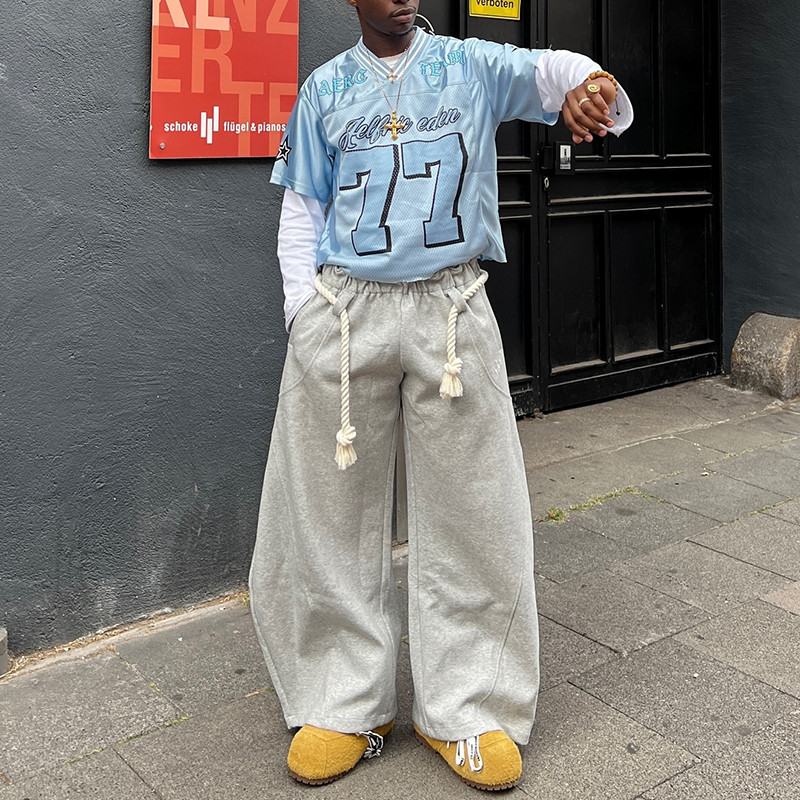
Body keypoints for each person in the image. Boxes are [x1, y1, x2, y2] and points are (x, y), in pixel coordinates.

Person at [249, 0, 633, 790]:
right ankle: (341, 702)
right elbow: (302, 209)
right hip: (343, 315)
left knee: (475, 507)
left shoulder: (469, 65)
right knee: (325, 509)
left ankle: (468, 706)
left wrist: (591, 84)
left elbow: (552, 70)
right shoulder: (323, 89)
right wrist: (302, 316)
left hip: (450, 310)